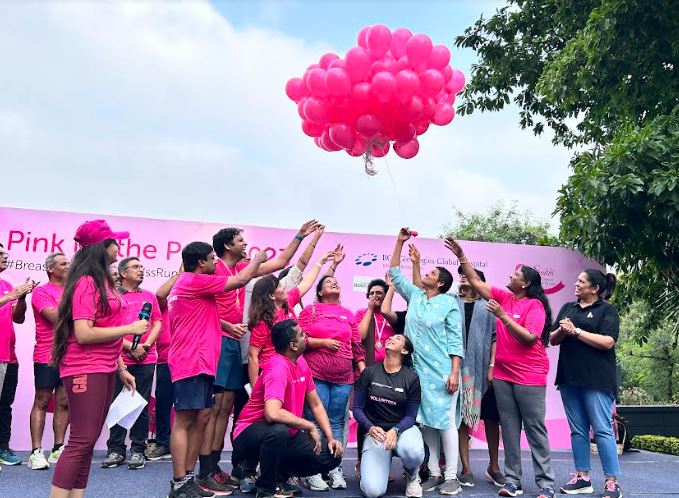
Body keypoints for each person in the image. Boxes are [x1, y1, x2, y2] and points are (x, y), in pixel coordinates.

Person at [200, 221, 318, 492]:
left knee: (227, 406)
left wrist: (300, 235)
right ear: (228, 245)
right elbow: (197, 304)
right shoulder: (213, 267)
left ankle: (216, 469)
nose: (245, 243)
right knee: (215, 408)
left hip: (232, 346)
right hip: (217, 341)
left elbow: (282, 262)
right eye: (240, 239)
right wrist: (225, 324)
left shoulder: (243, 268)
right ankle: (205, 470)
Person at [446, 237, 556, 498]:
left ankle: (546, 484)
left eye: (515, 274)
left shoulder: (534, 305)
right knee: (508, 428)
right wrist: (462, 255)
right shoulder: (505, 296)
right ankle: (513, 481)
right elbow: (475, 281)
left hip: (529, 376)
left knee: (534, 429)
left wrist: (503, 317)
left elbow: (530, 337)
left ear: (525, 283)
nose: (510, 275)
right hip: (504, 375)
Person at [49, 220, 145, 498]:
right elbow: (83, 333)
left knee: (88, 442)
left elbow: (105, 330)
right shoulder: (86, 282)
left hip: (103, 367)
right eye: (114, 242)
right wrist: (130, 329)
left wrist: (121, 367)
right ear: (102, 247)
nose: (119, 246)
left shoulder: (103, 281)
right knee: (80, 441)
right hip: (84, 368)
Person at [166, 242, 266, 498]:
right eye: (212, 259)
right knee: (185, 421)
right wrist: (257, 259)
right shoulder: (194, 280)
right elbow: (241, 279)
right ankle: (179, 482)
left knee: (200, 418)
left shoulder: (187, 285)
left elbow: (199, 316)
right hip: (191, 361)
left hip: (200, 362)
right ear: (201, 263)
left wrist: (226, 327)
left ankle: (189, 478)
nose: (215, 264)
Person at [388, 229, 464, 496]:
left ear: (441, 284)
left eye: (432, 274)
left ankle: (452, 476)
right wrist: (400, 242)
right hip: (417, 372)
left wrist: (455, 372)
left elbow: (456, 341)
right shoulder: (416, 297)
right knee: (426, 421)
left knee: (445, 422)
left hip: (443, 372)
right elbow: (396, 273)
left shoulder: (449, 303)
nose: (426, 276)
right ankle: (433, 473)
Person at [232, 319, 343, 498]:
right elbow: (272, 413)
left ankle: (280, 476)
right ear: (293, 345)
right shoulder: (277, 367)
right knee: (278, 431)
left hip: (284, 434)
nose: (305, 337)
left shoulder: (301, 364)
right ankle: (266, 489)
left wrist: (330, 437)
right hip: (248, 434)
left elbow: (315, 404)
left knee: (332, 455)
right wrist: (308, 425)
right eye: (301, 335)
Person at [550, 270, 622, 498]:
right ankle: (582, 478)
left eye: (581, 281)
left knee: (601, 430)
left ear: (595, 289)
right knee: (577, 431)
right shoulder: (568, 308)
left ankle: (612, 482)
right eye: (577, 280)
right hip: (569, 378)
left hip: (597, 380)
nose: (576, 284)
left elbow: (608, 342)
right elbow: (552, 339)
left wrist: (577, 331)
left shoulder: (607, 310)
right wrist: (563, 329)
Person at [298, 274, 366, 491]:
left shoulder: (347, 314)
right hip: (315, 375)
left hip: (343, 378)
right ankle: (313, 470)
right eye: (328, 282)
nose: (334, 282)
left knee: (337, 422)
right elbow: (299, 340)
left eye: (336, 281)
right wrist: (323, 342)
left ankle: (334, 467)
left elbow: (356, 344)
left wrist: (362, 368)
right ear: (319, 292)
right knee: (315, 421)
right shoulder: (311, 311)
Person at [101, 257, 163, 470]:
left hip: (147, 357)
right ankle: (116, 449)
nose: (141, 270)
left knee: (141, 403)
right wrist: (130, 347)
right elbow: (110, 328)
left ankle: (138, 449)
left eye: (142, 267)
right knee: (117, 403)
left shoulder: (149, 296)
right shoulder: (113, 297)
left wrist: (145, 345)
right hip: (119, 358)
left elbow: (157, 323)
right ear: (123, 273)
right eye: (136, 267)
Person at [353, 334, 425, 498]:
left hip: (402, 430)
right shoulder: (369, 373)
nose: (391, 338)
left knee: (413, 451)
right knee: (373, 492)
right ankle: (375, 466)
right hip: (376, 433)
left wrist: (396, 430)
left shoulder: (411, 378)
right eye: (391, 337)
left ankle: (412, 476)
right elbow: (357, 408)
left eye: (398, 338)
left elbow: (411, 416)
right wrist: (370, 427)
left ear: (405, 350)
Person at [247, 250, 332, 388]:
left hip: (292, 366)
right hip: (272, 372)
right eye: (280, 286)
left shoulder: (288, 302)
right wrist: (256, 389)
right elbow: (253, 356)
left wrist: (320, 262)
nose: (284, 287)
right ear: (272, 296)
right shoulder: (263, 322)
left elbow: (306, 284)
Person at [455, 266, 504, 488]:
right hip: (458, 370)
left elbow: (495, 337)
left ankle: (494, 467)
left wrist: (492, 366)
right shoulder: (450, 303)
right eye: (461, 274)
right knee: (462, 418)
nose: (464, 277)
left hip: (486, 370)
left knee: (492, 418)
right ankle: (465, 468)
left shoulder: (489, 306)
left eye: (469, 275)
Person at [28, 253, 70, 470]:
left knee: (64, 402)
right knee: (42, 401)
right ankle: (36, 452)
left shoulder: (72, 291)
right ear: (51, 269)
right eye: (63, 263)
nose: (68, 266)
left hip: (71, 355)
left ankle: (58, 448)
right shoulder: (41, 291)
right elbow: (55, 318)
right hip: (46, 353)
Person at [0, 242, 37, 467]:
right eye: (0, 253)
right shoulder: (7, 289)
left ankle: (3, 447)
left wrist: (21, 297)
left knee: (4, 405)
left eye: (4, 252)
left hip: (9, 356)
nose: (5, 256)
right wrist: (11, 295)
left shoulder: (5, 284)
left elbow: (19, 318)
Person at [148, 267, 183, 462]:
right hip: (165, 358)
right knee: (163, 403)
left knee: (187, 405)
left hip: (188, 358)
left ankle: (185, 442)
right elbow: (160, 294)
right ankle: (163, 443)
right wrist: (179, 273)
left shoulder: (192, 301)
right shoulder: (163, 303)